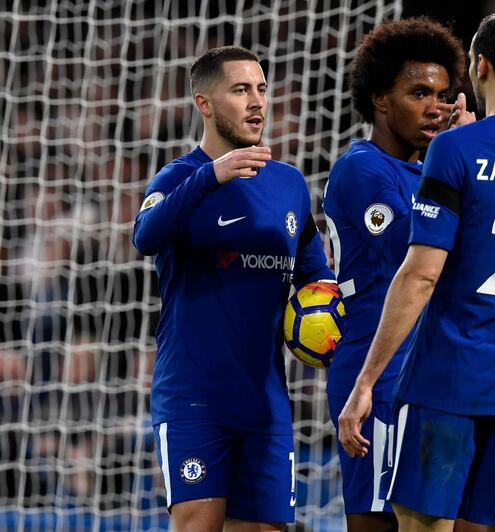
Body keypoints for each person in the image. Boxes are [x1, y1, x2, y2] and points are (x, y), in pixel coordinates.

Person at [338, 11, 495, 531]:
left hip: (445, 378)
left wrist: (366, 380)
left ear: (479, 66)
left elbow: (422, 274)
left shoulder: (455, 149)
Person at [132, 46, 334, 532]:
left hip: (265, 402)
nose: (256, 102)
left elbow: (316, 277)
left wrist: (329, 315)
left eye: (261, 89)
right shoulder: (179, 178)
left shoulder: (288, 185)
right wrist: (210, 177)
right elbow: (145, 236)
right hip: (194, 398)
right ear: (204, 102)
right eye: (241, 90)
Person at [322, 17, 467, 532]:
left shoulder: (436, 171)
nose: (436, 106)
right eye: (419, 92)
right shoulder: (361, 169)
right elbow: (415, 242)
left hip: (434, 374)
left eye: (445, 94)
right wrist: (462, 158)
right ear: (381, 100)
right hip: (377, 375)